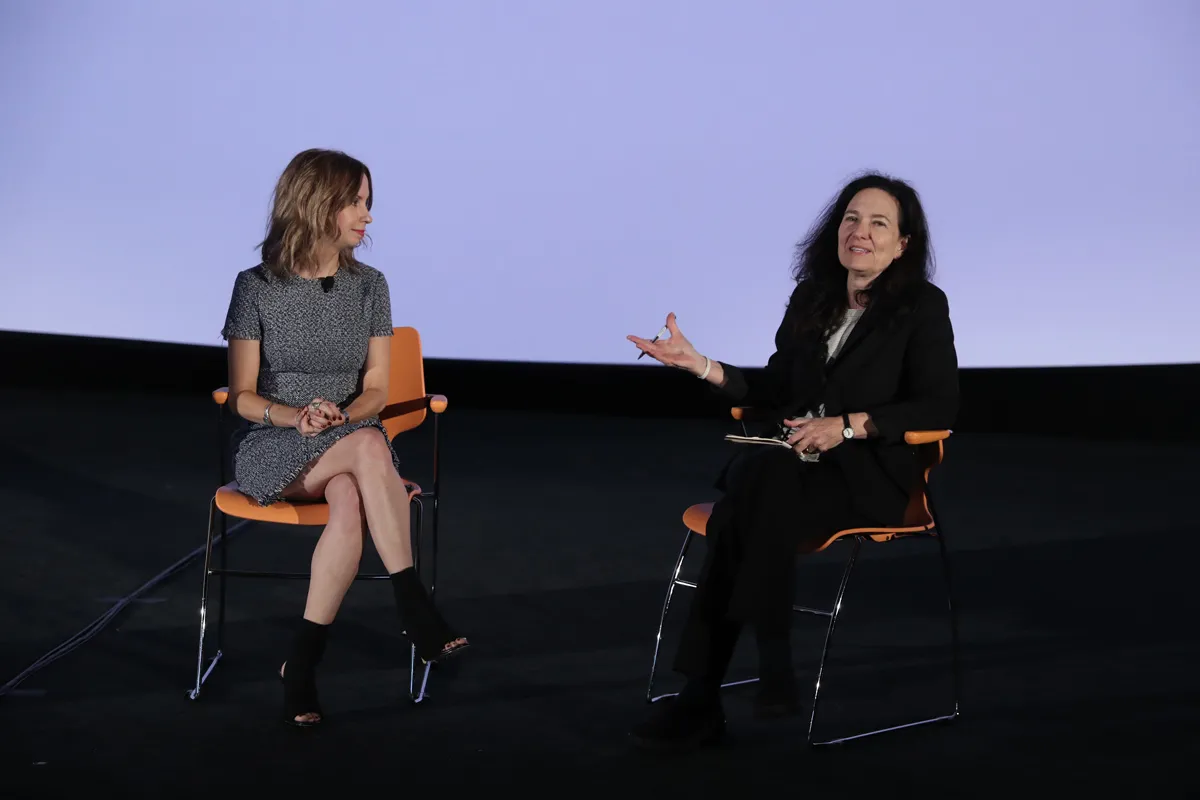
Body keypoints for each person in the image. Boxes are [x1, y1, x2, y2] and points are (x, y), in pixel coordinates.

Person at [625, 172, 958, 751]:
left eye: (879, 223)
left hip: (865, 477)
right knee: (762, 490)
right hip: (788, 473)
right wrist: (701, 366)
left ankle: (707, 693)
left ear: (903, 244)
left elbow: (938, 404)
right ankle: (764, 667)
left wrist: (845, 427)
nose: (860, 232)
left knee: (740, 514)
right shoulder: (813, 296)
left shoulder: (922, 307)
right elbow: (776, 387)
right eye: (851, 218)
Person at [220, 148, 468, 728]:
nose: (367, 215)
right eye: (355, 202)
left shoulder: (370, 286)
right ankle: (413, 604)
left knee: (354, 488)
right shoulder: (255, 287)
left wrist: (345, 415)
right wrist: (297, 417)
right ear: (316, 203)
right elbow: (241, 395)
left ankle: (302, 665)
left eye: (367, 202)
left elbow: (377, 389)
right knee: (369, 449)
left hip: (351, 436)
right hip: (277, 444)